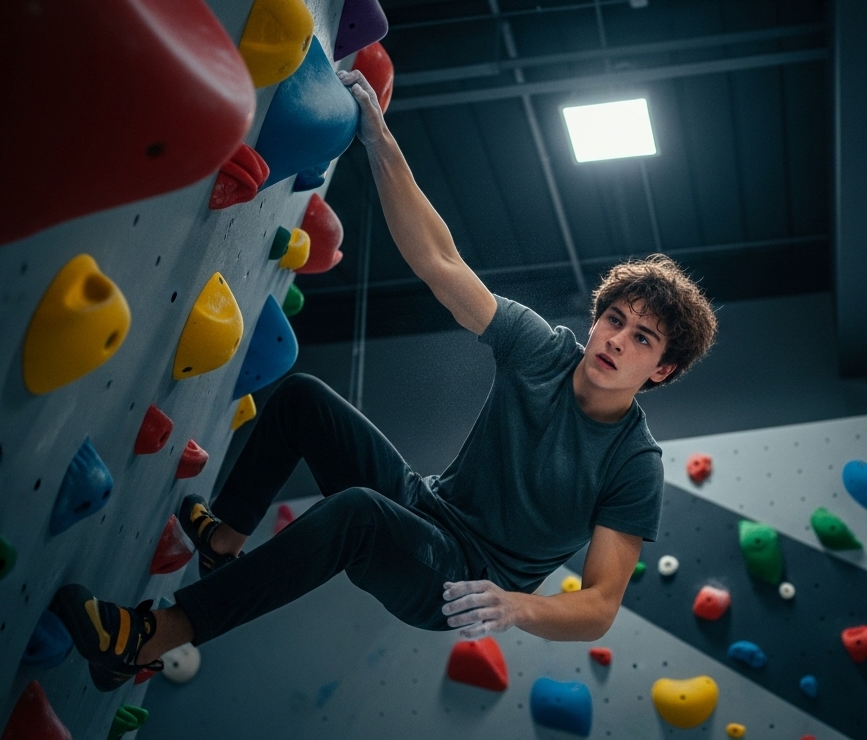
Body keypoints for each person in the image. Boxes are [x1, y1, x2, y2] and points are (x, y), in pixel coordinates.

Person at [50, 68, 717, 692]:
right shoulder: (545, 351)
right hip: (424, 507)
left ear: (661, 369)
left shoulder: (633, 464)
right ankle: (223, 541)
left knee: (358, 518)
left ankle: (151, 635)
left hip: (458, 580)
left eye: (641, 339)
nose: (615, 339)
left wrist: (517, 607)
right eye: (615, 318)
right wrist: (379, 134)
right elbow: (439, 259)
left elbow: (600, 606)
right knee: (304, 401)